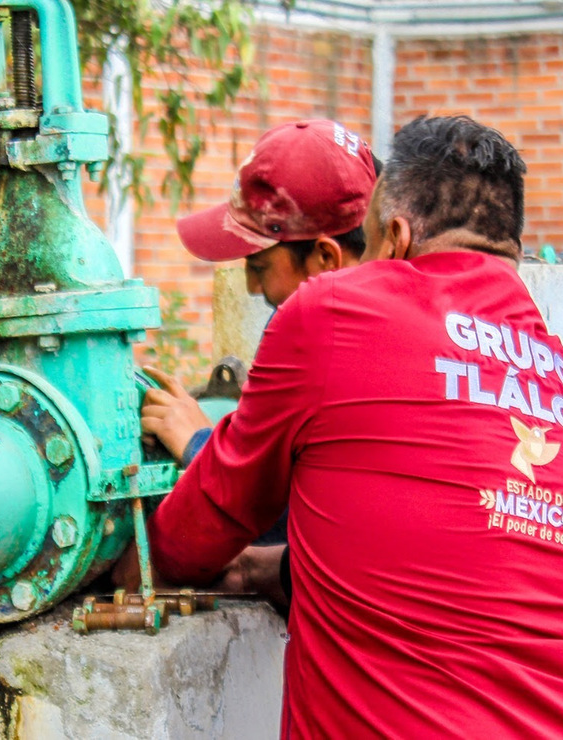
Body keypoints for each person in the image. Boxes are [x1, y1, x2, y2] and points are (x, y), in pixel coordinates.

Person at [119, 116, 563, 736]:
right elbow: (455, 562)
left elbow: (193, 536)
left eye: (369, 246)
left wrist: (122, 566)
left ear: (396, 238)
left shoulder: (333, 310)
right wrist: (261, 571)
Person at [141, 119, 380, 612]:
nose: (253, 289)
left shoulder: (323, 340)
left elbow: (280, 508)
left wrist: (199, 445)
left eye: (258, 267)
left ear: (325, 259)